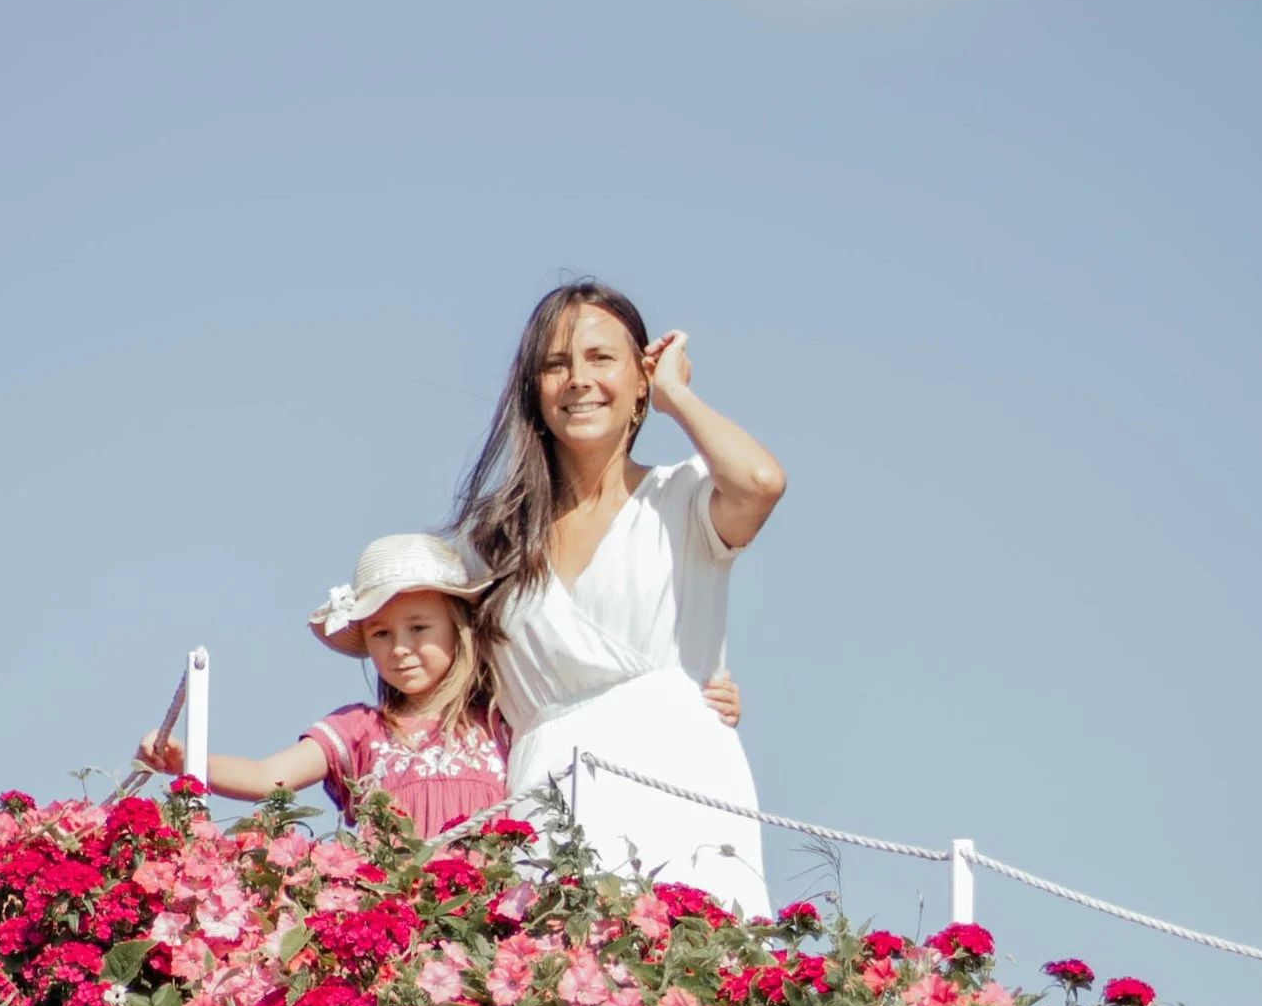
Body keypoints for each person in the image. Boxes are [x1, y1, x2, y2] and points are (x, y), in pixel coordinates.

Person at [449, 282, 784, 916]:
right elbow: (426, 663)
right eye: (555, 364)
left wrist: (678, 396)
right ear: (534, 390)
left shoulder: (683, 498)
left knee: (690, 984)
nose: (578, 378)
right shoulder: (490, 542)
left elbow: (762, 483)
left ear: (641, 381)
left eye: (602, 358)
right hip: (545, 791)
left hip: (679, 778)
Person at [135, 528, 743, 842]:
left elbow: (598, 721)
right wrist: (188, 760)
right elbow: (270, 776)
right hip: (394, 919)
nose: (400, 649)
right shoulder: (359, 729)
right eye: (380, 634)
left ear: (458, 629)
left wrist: (690, 707)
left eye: (419, 627)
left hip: (492, 924)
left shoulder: (507, 714)